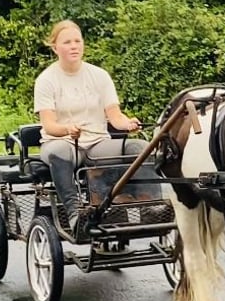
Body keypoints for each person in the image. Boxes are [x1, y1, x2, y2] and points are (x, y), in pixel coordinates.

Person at [34, 19, 148, 232]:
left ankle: (148, 207)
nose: (74, 46)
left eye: (78, 41)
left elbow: (115, 116)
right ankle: (74, 213)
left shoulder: (99, 76)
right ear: (55, 47)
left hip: (97, 142)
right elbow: (49, 125)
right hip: (61, 141)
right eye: (67, 42)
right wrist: (68, 129)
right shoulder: (46, 79)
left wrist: (128, 123)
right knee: (60, 151)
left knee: (138, 148)